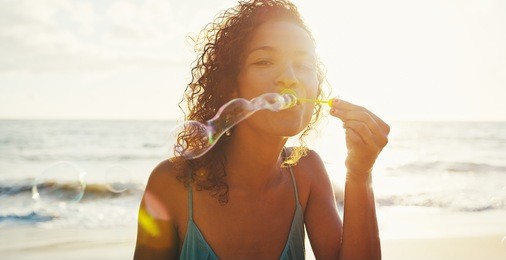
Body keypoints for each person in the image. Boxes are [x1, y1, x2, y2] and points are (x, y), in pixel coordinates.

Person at [133, 0, 389, 259]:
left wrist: (360, 173)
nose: (290, 77)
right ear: (231, 86)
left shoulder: (307, 173)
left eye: (305, 65)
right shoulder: (171, 184)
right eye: (264, 61)